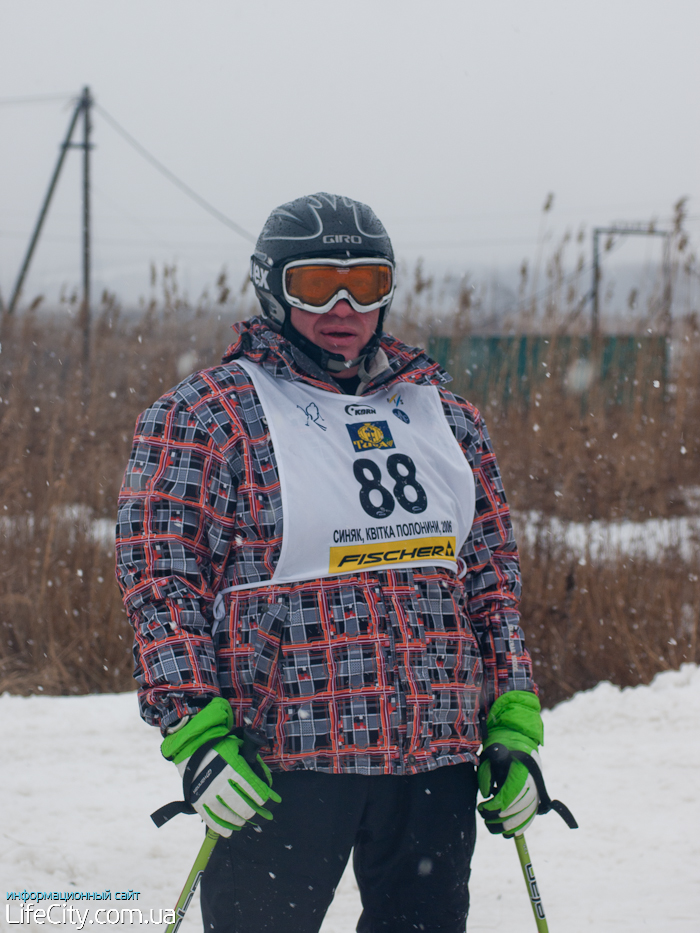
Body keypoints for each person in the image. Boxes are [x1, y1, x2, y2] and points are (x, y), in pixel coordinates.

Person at [116, 193, 545, 933]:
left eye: (367, 283)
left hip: (433, 755)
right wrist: (195, 730)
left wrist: (512, 721)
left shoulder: (443, 415)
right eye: (317, 283)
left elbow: (490, 577)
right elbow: (162, 582)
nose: (343, 305)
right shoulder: (207, 414)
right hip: (285, 757)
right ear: (271, 287)